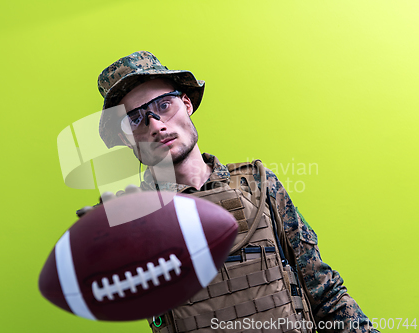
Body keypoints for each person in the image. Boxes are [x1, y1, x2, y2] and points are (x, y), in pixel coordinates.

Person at [82, 51, 378, 333]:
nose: (157, 126)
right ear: (125, 137)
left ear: (186, 104)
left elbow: (325, 292)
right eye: (135, 118)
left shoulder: (259, 185)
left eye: (163, 105)